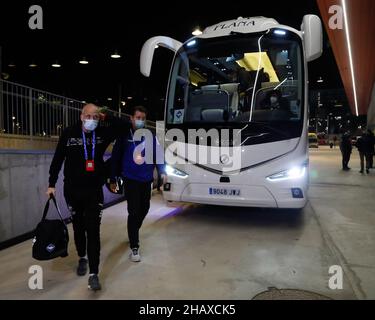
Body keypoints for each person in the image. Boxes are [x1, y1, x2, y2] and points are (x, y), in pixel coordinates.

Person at [46, 103, 130, 291]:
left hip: (94, 191)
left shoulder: (102, 132)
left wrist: (106, 116)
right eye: (89, 116)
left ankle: (94, 273)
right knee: (78, 226)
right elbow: (58, 159)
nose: (92, 120)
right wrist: (51, 184)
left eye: (95, 116)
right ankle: (82, 257)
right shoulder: (69, 133)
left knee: (93, 230)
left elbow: (125, 127)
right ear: (81, 116)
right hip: (72, 191)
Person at [110, 106, 166, 262]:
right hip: (130, 179)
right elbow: (115, 157)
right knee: (133, 211)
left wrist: (163, 171)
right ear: (131, 118)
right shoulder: (123, 135)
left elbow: (158, 155)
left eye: (143, 118)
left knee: (145, 208)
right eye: (138, 117)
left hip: (146, 179)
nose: (140, 120)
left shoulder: (150, 136)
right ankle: (135, 246)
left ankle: (133, 229)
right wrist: (113, 177)